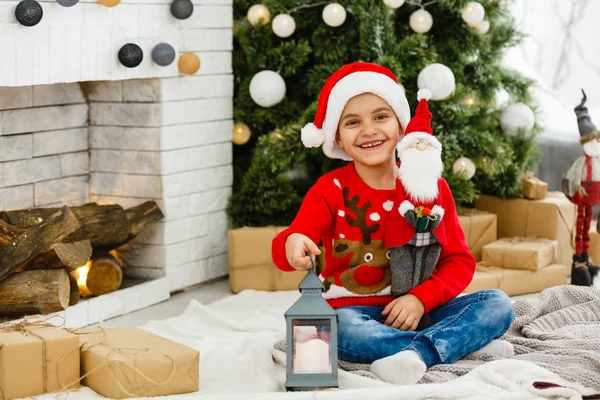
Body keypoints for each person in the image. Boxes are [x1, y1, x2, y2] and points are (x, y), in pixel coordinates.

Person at [271, 62, 515, 385]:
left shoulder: (430, 187)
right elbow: (292, 241)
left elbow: (459, 262)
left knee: (498, 305)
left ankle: (419, 353)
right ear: (338, 138)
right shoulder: (329, 190)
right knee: (339, 328)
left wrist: (420, 299)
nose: (369, 130)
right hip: (357, 314)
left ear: (401, 125)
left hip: (421, 310)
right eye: (353, 122)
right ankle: (450, 346)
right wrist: (293, 242)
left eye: (381, 117)